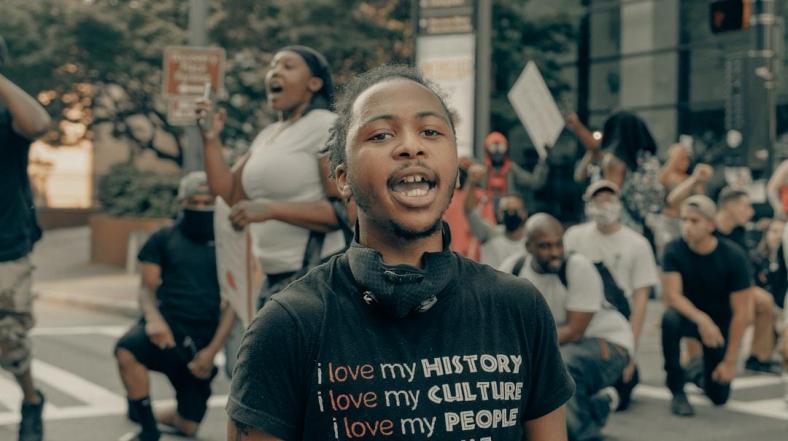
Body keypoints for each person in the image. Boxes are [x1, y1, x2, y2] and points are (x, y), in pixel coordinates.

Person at [226, 65, 575, 441]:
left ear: (456, 171)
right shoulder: (288, 325)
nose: (411, 146)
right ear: (341, 178)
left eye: (430, 131)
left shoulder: (518, 309)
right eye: (380, 134)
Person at [197, 45, 345, 375]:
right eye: (272, 66)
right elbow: (230, 193)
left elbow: (343, 210)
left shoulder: (325, 125)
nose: (274, 73)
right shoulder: (268, 135)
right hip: (272, 278)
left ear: (315, 84)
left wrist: (270, 209)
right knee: (266, 385)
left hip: (314, 278)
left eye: (288, 67)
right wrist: (210, 139)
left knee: (266, 382)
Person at [114, 172, 236, 441]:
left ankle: (142, 409)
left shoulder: (228, 241)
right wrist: (153, 319)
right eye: (194, 201)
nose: (201, 208)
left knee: (188, 427)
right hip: (166, 332)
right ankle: (147, 429)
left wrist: (212, 351)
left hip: (200, 345)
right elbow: (147, 288)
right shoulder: (162, 238)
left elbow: (234, 303)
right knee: (126, 350)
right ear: (181, 202)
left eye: (208, 202)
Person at [500, 213, 632, 441]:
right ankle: (599, 405)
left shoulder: (577, 267)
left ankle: (582, 434)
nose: (554, 252)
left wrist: (526, 352)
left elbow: (574, 331)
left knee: (560, 364)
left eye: (558, 244)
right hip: (557, 346)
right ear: (528, 246)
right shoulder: (512, 269)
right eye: (545, 246)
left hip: (608, 343)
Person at [564, 180, 660, 410]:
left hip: (617, 327)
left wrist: (632, 353)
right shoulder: (574, 237)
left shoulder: (638, 244)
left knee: (623, 391)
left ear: (619, 204)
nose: (604, 205)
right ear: (587, 205)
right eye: (597, 200)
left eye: (609, 200)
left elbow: (641, 301)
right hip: (580, 319)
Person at [0, 35, 52, 441]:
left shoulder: (7, 111)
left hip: (7, 245)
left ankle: (32, 400)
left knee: (9, 341)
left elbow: (38, 124)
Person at [660, 195, 753, 417]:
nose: (687, 226)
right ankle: (676, 388)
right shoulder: (674, 250)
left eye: (694, 221)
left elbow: (741, 313)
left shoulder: (733, 256)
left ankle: (695, 370)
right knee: (669, 319)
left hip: (719, 328)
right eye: (684, 220)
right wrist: (702, 319)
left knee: (718, 396)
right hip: (691, 318)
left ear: (711, 225)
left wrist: (730, 363)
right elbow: (673, 296)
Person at [714, 187, 778, 373]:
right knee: (742, 310)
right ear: (729, 206)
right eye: (746, 206)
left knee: (764, 301)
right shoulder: (710, 228)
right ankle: (713, 354)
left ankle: (759, 357)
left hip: (738, 286)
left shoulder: (739, 231)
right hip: (712, 285)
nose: (750, 212)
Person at [462, 163, 527, 268]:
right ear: (499, 214)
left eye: (514, 210)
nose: (510, 214)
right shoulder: (489, 234)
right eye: (505, 211)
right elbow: (469, 210)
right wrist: (471, 182)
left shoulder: (530, 242)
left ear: (524, 214)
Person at [482, 131, 548, 214]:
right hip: (487, 215)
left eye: (501, 148)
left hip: (509, 215)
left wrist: (542, 161)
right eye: (494, 148)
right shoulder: (483, 170)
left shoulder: (511, 169)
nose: (497, 153)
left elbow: (535, 182)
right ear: (487, 150)